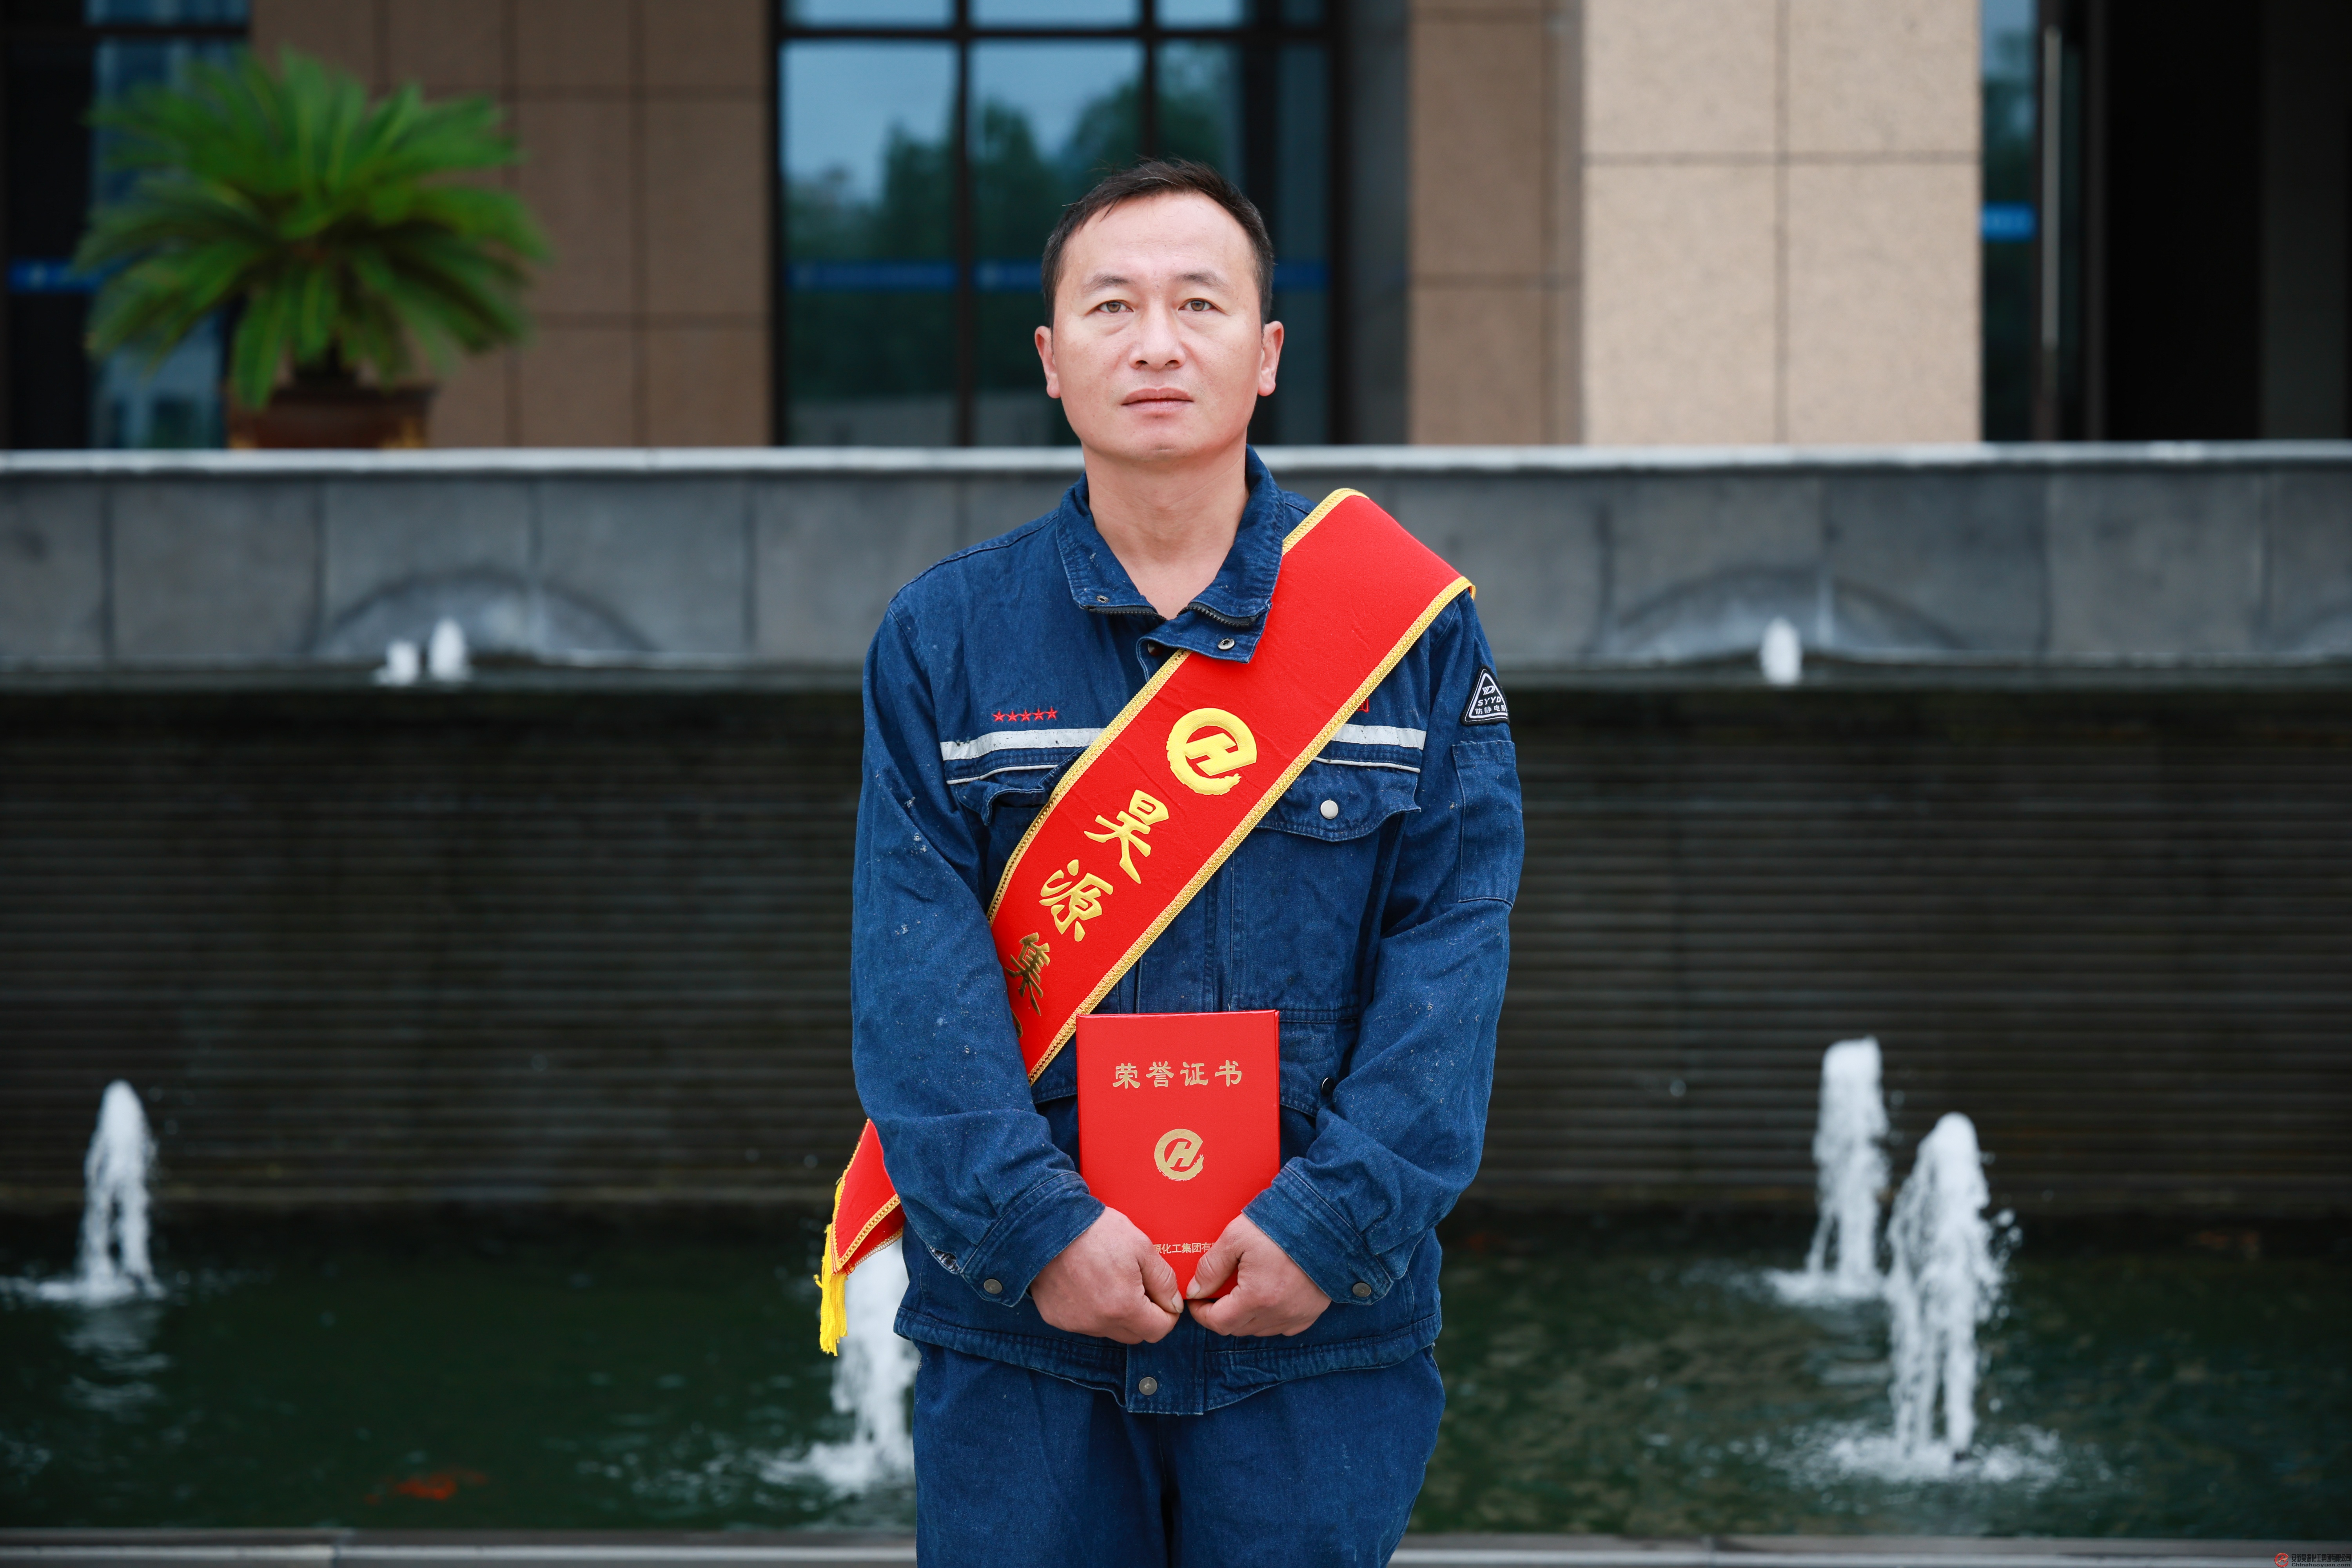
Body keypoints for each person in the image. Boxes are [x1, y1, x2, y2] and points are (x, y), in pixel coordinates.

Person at [848, 159, 1523, 1567]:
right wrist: (1036, 1230)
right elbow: (915, 978)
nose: (1155, 342)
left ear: (1265, 354)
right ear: (1052, 360)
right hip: (1026, 1335)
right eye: (1112, 306)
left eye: (1198, 304)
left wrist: (1330, 1224)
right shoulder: (942, 638)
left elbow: (1454, 952)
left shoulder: (1407, 633)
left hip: (1315, 1332)